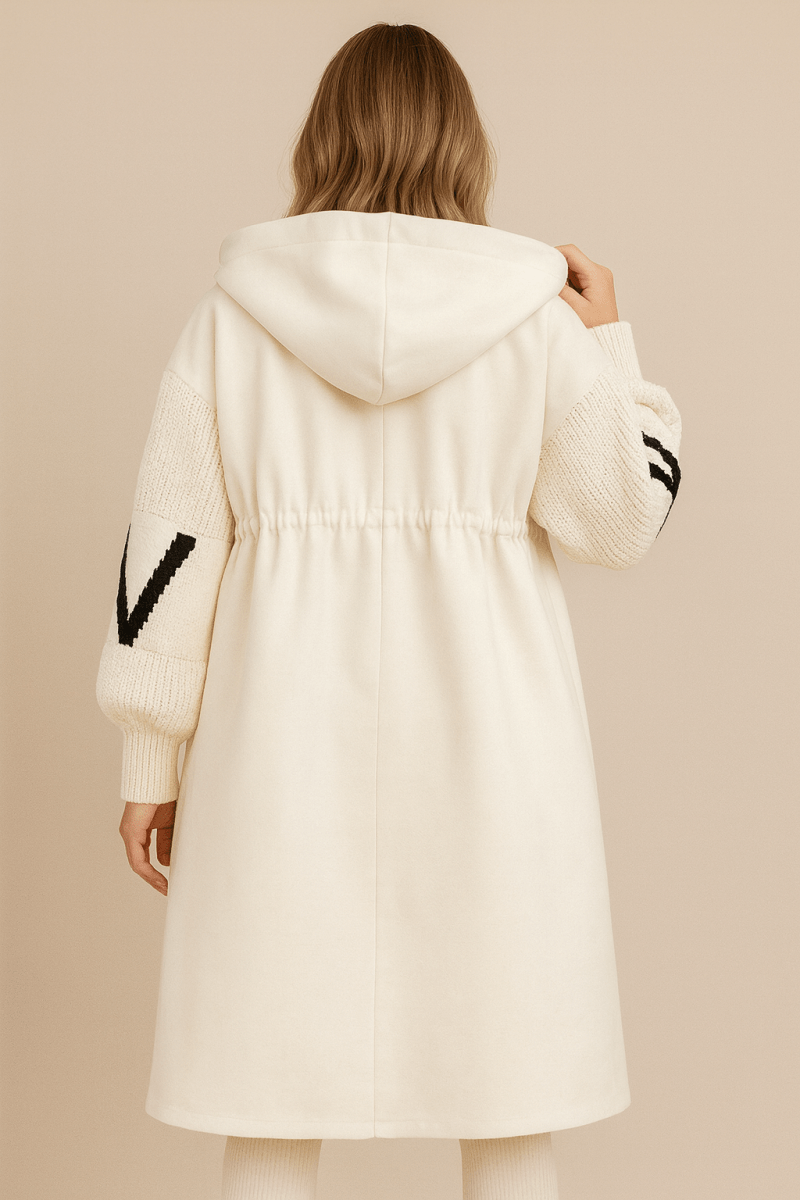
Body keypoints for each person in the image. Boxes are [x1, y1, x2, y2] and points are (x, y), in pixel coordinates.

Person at [96, 22, 682, 1200]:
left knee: (267, 1101)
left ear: (321, 137)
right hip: (494, 755)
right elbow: (623, 521)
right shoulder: (533, 324)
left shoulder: (228, 321)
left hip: (278, 750)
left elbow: (169, 549)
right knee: (509, 1103)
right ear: (464, 145)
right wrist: (609, 343)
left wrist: (150, 758)